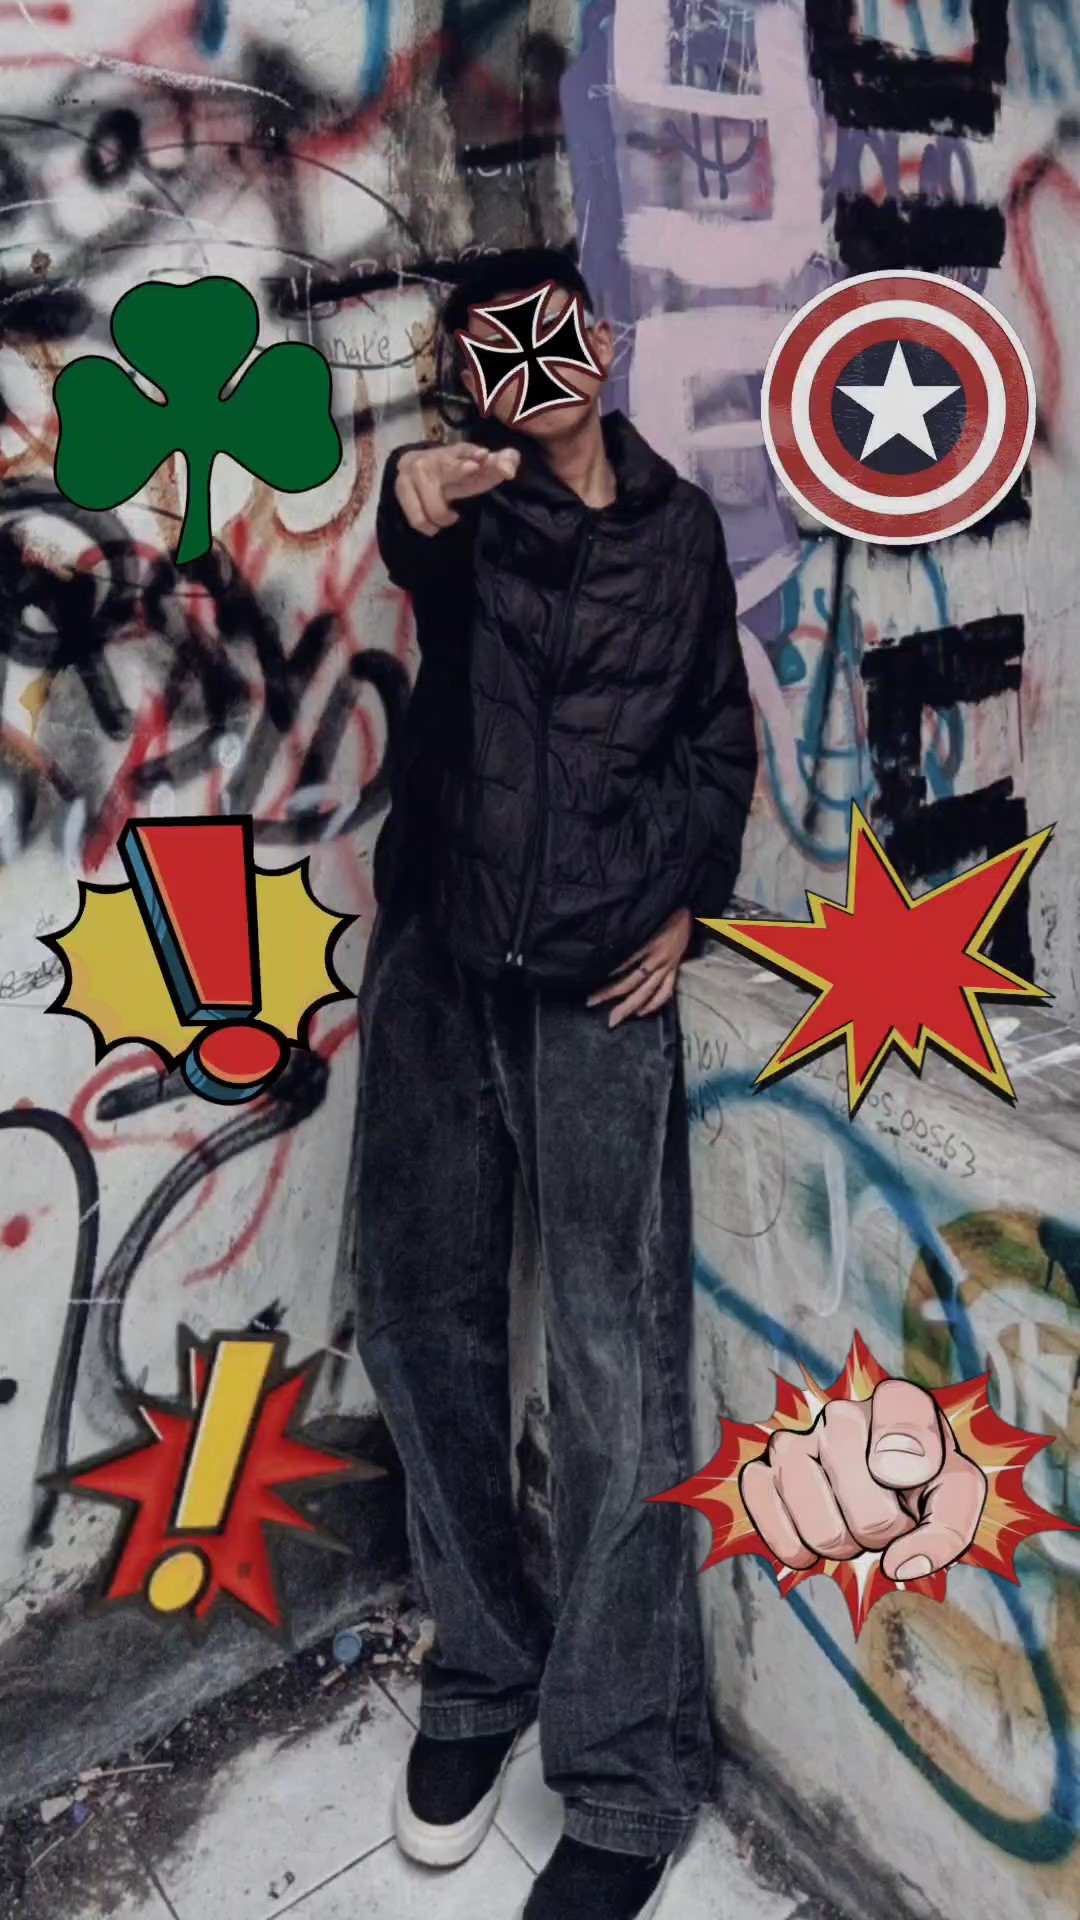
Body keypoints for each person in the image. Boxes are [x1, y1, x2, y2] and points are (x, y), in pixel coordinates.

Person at [356, 245, 757, 1920]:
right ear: (473, 381)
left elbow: (716, 736)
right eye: (495, 356)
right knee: (418, 1318)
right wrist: (417, 490)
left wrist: (683, 896)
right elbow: (413, 527)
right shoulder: (468, 516)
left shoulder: (680, 530)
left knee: (616, 1369)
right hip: (444, 963)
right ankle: (479, 1673)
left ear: (596, 338)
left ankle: (626, 1769)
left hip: (602, 984)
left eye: (554, 335)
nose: (537, 369)